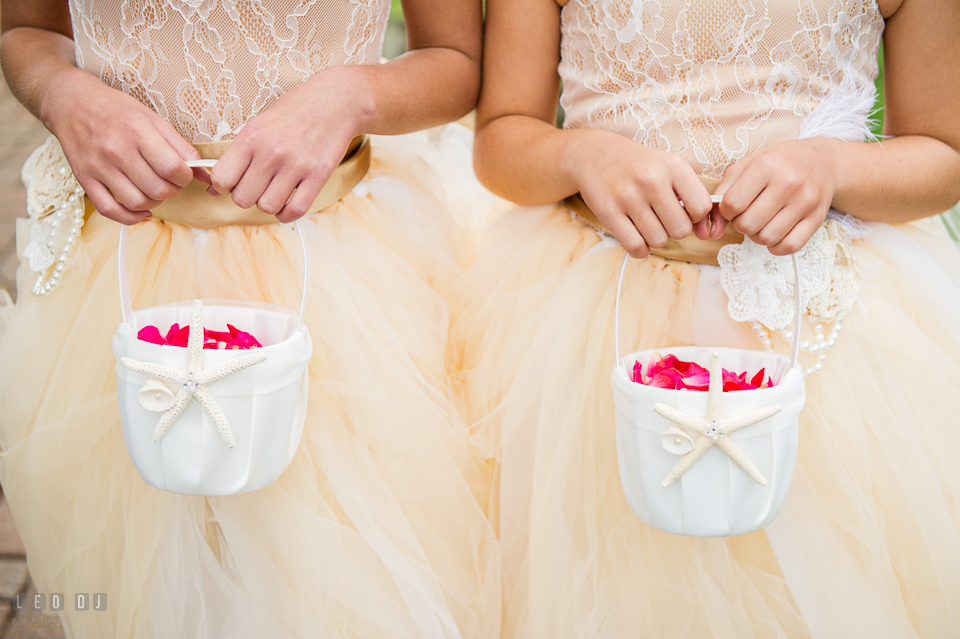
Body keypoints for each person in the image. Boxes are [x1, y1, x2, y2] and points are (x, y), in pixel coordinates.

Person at [452, 0, 960, 636]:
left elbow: (943, 153)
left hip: (826, 323)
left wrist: (833, 166)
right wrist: (583, 155)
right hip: (594, 314)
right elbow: (502, 137)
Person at [0, 1, 498, 637]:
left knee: (340, 585)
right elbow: (28, 30)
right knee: (152, 582)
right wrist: (62, 92)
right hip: (117, 267)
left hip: (338, 270)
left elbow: (456, 59)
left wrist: (354, 93)